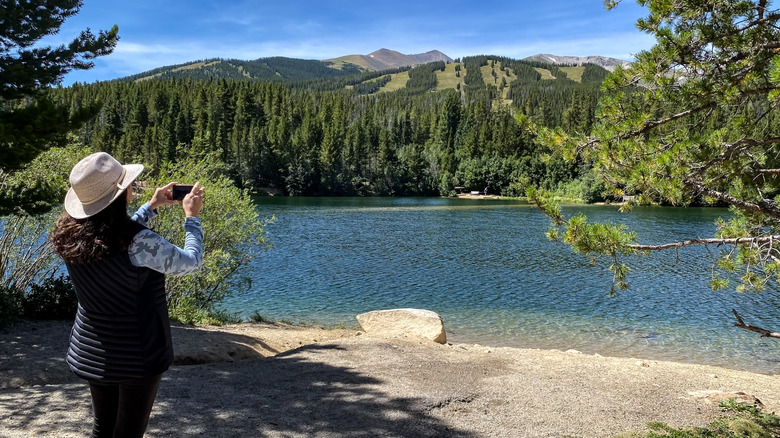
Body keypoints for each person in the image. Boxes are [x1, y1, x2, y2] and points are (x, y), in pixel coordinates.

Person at [50, 152, 205, 438]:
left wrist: (151, 206)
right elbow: (191, 262)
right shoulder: (137, 240)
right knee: (129, 432)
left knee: (103, 427)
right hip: (138, 351)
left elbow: (113, 238)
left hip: (94, 349)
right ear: (122, 194)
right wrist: (192, 219)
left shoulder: (70, 233)